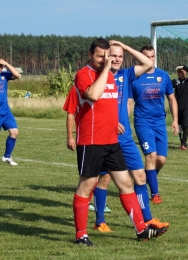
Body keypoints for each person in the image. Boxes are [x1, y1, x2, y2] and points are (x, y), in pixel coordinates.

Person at [71, 38, 166, 246]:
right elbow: (94, 96)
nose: (105, 60)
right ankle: (81, 235)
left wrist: (123, 49)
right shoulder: (83, 74)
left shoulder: (117, 76)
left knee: (126, 183)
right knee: (86, 187)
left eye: (108, 56)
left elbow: (112, 106)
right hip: (92, 141)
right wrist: (106, 70)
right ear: (90, 55)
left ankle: (141, 229)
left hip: (112, 142)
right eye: (100, 56)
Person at [93, 42, 170, 233]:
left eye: (120, 56)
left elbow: (147, 64)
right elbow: (93, 105)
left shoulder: (126, 75)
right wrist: (110, 122)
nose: (117, 59)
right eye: (113, 55)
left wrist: (126, 47)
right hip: (106, 137)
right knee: (104, 180)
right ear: (106, 57)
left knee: (140, 176)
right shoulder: (100, 77)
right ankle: (99, 221)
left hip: (125, 138)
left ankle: (148, 220)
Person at [128, 44, 178, 204]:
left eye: (152, 57)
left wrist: (175, 120)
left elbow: (171, 99)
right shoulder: (134, 78)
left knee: (161, 159)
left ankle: (143, 179)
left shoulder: (163, 76)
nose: (150, 60)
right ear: (140, 58)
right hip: (142, 122)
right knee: (151, 156)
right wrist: (124, 121)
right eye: (147, 57)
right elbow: (129, 103)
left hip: (159, 123)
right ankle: (155, 194)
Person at [63, 85, 111, 213]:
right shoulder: (76, 89)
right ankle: (86, 203)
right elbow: (70, 114)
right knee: (90, 177)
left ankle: (100, 206)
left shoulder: (105, 88)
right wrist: (70, 137)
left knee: (105, 175)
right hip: (87, 140)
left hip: (106, 138)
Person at [0, 58, 21, 166]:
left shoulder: (5, 76)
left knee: (14, 132)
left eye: (1, 66)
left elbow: (17, 75)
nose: (1, 68)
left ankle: (6, 157)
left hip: (5, 110)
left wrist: (7, 63)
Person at [172, 65, 188, 150]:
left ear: (185, 71)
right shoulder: (175, 81)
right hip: (177, 107)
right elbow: (166, 86)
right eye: (178, 71)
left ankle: (184, 144)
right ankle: (182, 143)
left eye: (182, 71)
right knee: (179, 126)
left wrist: (185, 67)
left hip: (187, 106)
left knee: (185, 125)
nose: (180, 73)